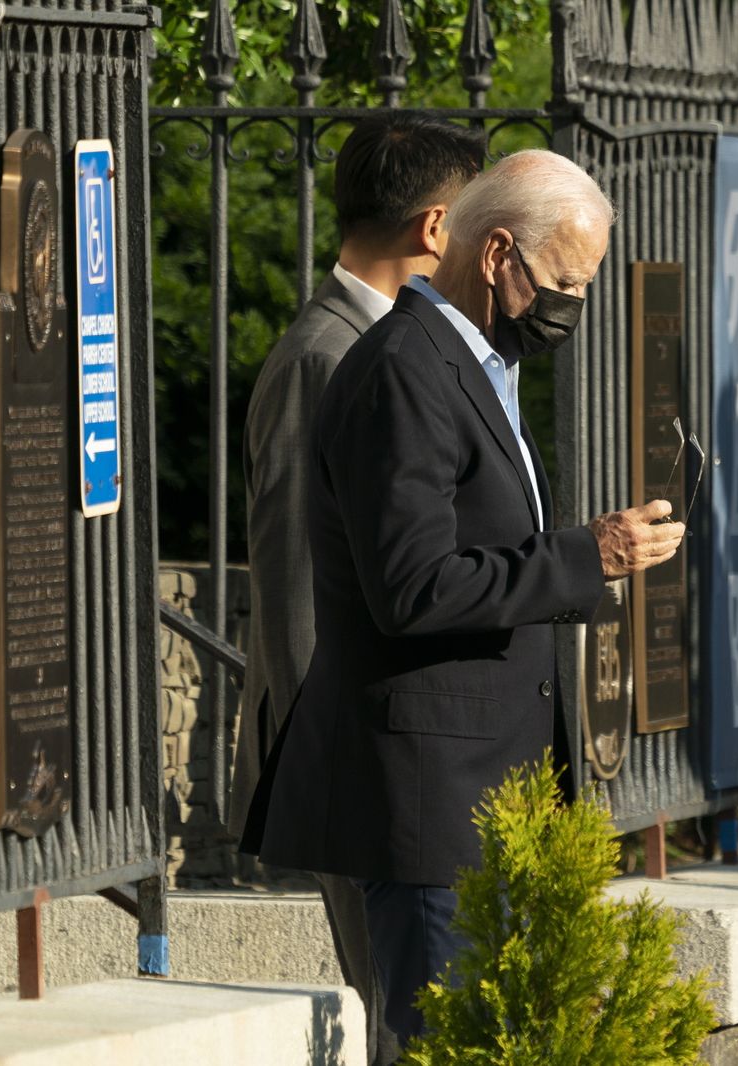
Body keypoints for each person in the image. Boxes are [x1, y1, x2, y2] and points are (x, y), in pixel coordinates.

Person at [240, 149, 684, 1052]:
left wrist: (581, 559)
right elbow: (411, 587)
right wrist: (584, 554)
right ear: (495, 256)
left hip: (485, 796)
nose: (574, 307)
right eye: (563, 282)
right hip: (431, 804)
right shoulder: (406, 367)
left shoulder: (468, 363)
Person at [229, 113, 487, 1066]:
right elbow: (296, 575)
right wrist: (332, 759)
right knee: (396, 1017)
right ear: (432, 228)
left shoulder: (387, 349)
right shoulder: (329, 358)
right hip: (355, 755)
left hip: (382, 751)